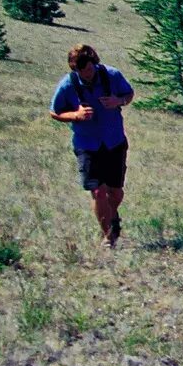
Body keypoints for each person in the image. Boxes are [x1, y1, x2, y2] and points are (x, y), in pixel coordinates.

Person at [48, 43, 134, 248]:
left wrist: (117, 101)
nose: (85, 74)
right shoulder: (68, 85)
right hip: (87, 144)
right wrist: (75, 115)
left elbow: (129, 95)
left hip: (114, 141)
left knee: (115, 192)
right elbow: (55, 112)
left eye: (88, 69)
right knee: (98, 191)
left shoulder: (112, 75)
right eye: (80, 71)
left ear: (94, 63)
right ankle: (108, 237)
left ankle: (112, 216)